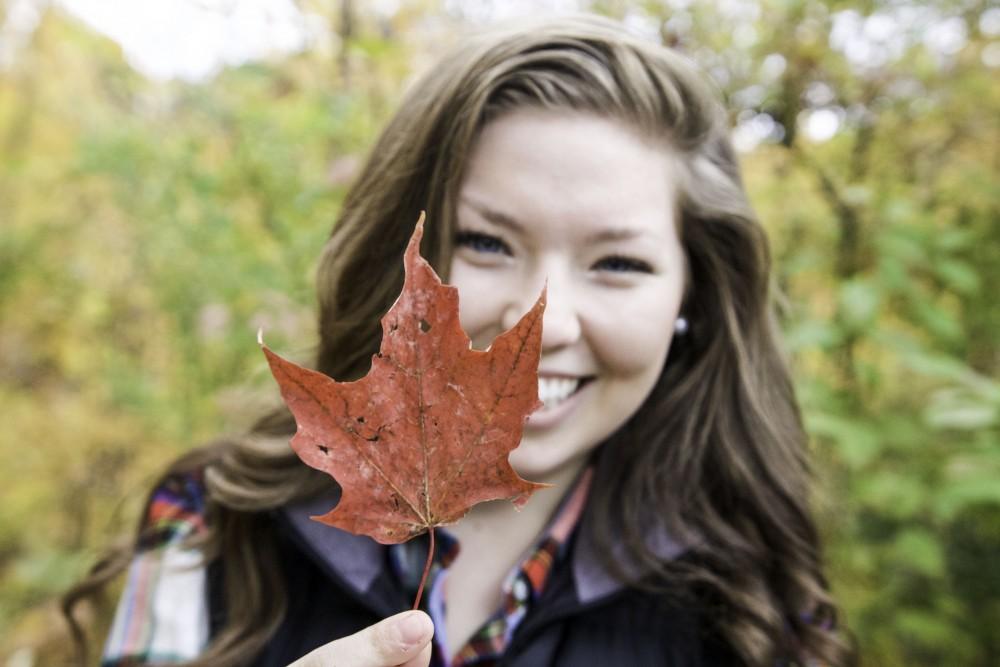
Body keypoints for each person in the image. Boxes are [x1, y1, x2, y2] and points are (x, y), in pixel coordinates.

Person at [64, 13, 854, 667]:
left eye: (617, 261)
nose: (543, 324)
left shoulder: (745, 600)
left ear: (694, 297)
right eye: (487, 243)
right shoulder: (211, 523)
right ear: (401, 264)